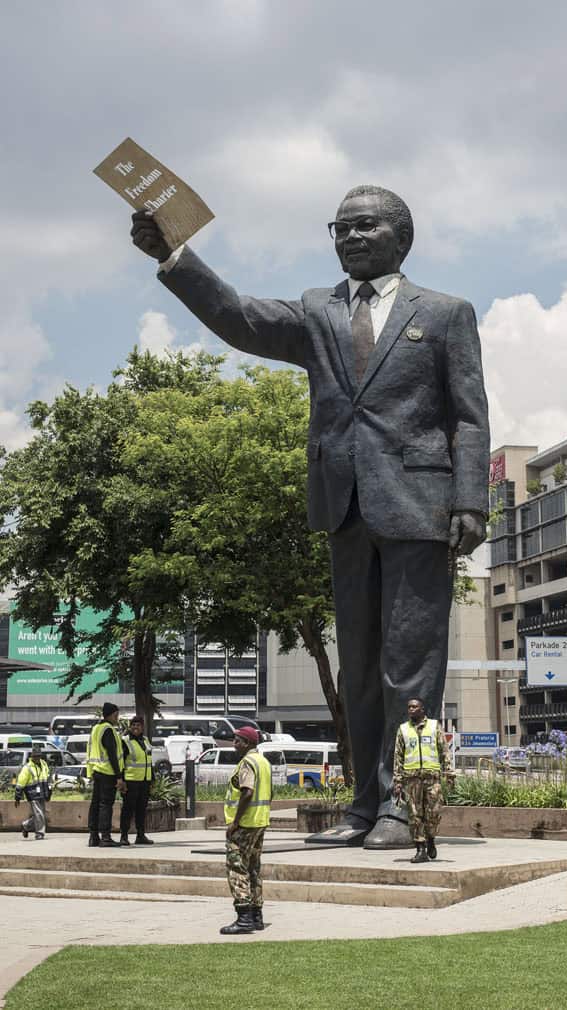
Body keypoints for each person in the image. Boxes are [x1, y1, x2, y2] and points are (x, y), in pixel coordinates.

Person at [131, 183, 489, 849]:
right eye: (340, 227)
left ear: (400, 237)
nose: (350, 237)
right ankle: (362, 807)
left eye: (365, 226)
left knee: (409, 665)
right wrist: (176, 256)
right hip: (344, 505)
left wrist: (471, 499)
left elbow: (469, 415)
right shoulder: (316, 312)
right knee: (357, 665)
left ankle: (403, 809)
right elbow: (240, 316)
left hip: (420, 505)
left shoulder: (444, 313)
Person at [220, 726, 272, 935]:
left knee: (237, 868)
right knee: (253, 868)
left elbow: (247, 792)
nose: (234, 744)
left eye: (238, 741)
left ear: (248, 743)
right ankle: (256, 915)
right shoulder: (264, 762)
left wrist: (235, 822)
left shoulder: (248, 763)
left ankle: (244, 918)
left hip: (245, 824)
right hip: (260, 821)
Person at [393, 698, 454, 863]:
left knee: (433, 813)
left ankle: (431, 839)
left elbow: (444, 751)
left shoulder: (434, 726)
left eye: (414, 706)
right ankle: (420, 849)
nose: (411, 709)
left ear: (422, 709)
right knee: (414, 815)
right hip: (411, 780)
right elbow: (398, 756)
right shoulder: (403, 729)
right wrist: (398, 781)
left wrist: (449, 773)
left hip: (432, 778)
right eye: (409, 707)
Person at [86, 701, 126, 847]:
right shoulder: (108, 730)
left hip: (97, 771)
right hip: (108, 772)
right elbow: (112, 755)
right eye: (116, 715)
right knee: (105, 805)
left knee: (95, 804)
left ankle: (93, 836)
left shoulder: (96, 728)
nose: (118, 718)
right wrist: (119, 776)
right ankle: (105, 837)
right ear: (112, 714)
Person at [120, 715, 154, 846]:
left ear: (142, 727)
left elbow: (149, 762)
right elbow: (121, 762)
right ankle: (124, 836)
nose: (135, 727)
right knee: (128, 809)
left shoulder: (145, 740)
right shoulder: (126, 741)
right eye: (133, 725)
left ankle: (140, 835)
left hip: (144, 781)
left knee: (141, 809)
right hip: (131, 781)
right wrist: (121, 780)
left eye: (138, 725)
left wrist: (152, 780)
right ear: (130, 726)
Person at [14, 746, 51, 840]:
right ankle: (39, 833)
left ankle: (25, 825)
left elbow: (47, 778)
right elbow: (20, 782)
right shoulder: (27, 768)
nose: (37, 758)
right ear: (32, 756)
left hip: (43, 793)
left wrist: (49, 791)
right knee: (39, 814)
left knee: (40, 814)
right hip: (32, 794)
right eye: (35, 756)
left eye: (39, 756)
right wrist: (17, 797)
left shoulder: (44, 764)